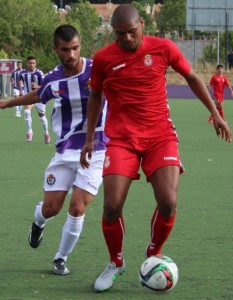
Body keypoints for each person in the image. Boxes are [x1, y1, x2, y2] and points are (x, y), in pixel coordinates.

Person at [80, 4, 232, 292]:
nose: (126, 38)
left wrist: (217, 114)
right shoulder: (103, 59)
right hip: (121, 139)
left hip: (159, 136)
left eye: (131, 32)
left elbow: (192, 78)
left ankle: (153, 254)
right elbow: (96, 96)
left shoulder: (163, 48)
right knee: (111, 206)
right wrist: (90, 138)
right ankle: (116, 262)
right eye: (119, 34)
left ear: (141, 26)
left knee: (168, 201)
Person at [0, 25, 107, 275]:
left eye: (75, 48)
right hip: (66, 151)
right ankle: (39, 223)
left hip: (97, 148)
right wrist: (7, 103)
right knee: (51, 208)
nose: (71, 54)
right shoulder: (54, 78)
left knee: (78, 207)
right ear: (55, 49)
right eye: (65, 49)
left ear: (81, 46)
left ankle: (61, 257)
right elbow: (38, 95)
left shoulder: (97, 70)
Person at [18, 55, 50, 143]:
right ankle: (29, 131)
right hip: (28, 95)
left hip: (38, 97)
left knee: (42, 117)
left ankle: (46, 133)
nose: (32, 65)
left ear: (35, 64)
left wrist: (36, 86)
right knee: (27, 112)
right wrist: (21, 90)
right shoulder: (22, 73)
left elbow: (44, 86)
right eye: (30, 63)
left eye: (33, 63)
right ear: (27, 64)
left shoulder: (39, 73)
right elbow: (19, 80)